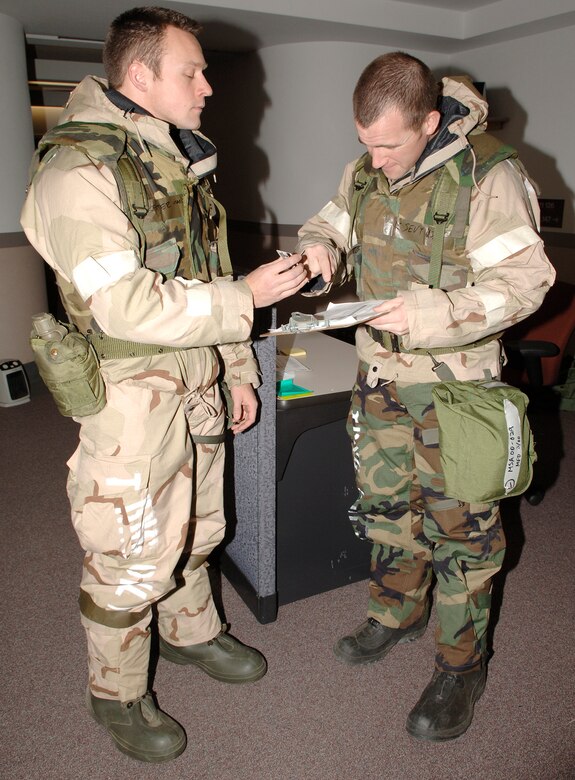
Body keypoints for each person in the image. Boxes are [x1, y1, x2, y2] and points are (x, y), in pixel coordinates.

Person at [20, 6, 308, 764]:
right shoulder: (77, 171)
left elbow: (209, 272)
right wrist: (247, 299)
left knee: (200, 528)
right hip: (131, 397)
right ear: (139, 75)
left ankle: (191, 632)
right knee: (130, 552)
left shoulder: (175, 161)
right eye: (192, 71)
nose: (208, 86)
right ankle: (115, 693)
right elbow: (123, 304)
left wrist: (237, 368)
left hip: (198, 380)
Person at [296, 52, 555, 741]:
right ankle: (396, 612)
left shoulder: (489, 177)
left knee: (462, 535)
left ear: (430, 122)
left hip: (455, 390)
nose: (375, 160)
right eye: (366, 143)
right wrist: (319, 252)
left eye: (388, 145)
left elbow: (526, 283)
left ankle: (461, 666)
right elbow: (328, 224)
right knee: (386, 511)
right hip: (379, 381)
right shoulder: (364, 171)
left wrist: (428, 313)